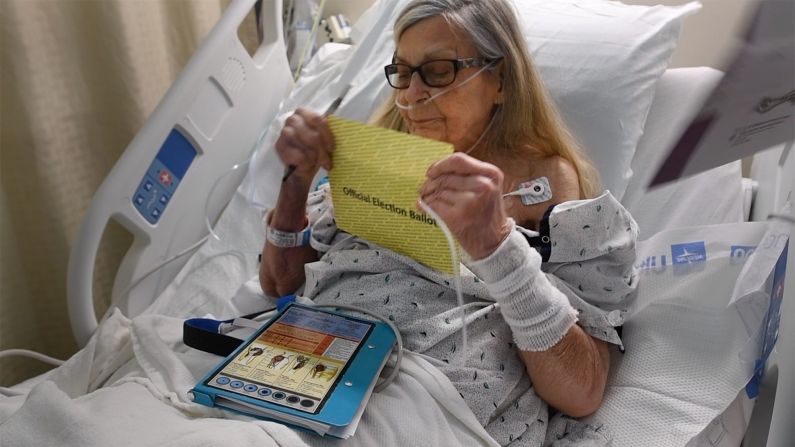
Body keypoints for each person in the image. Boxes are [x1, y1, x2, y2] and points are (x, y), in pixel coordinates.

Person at [259, 0, 637, 444]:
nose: (409, 95)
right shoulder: (376, 157)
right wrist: (295, 185)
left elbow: (582, 390)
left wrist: (497, 248)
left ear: (500, 79)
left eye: (438, 70)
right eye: (402, 71)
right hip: (302, 371)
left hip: (431, 400)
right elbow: (281, 285)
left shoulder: (544, 182)